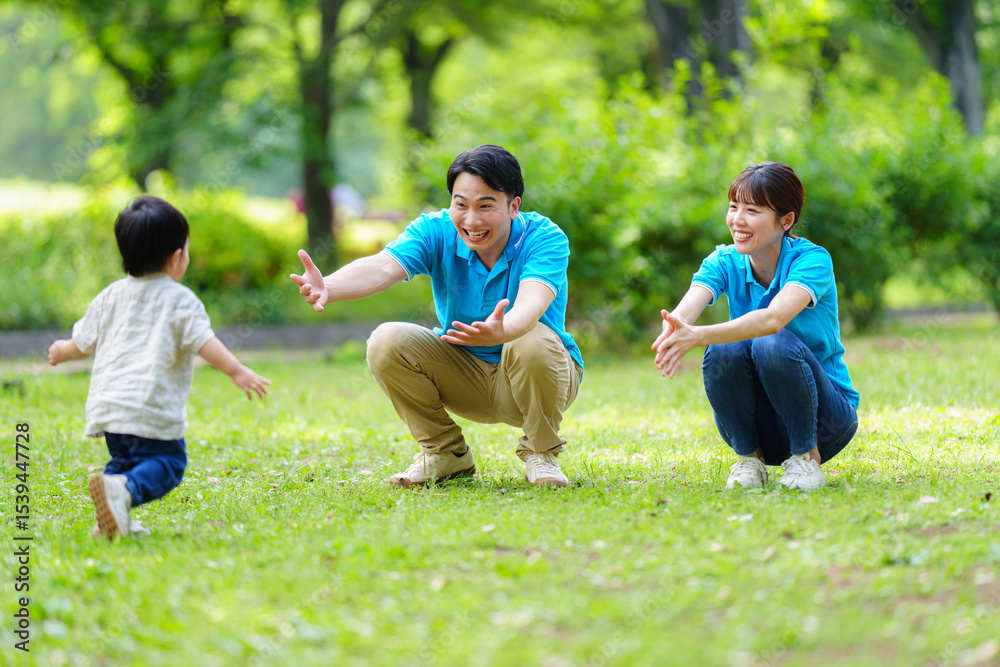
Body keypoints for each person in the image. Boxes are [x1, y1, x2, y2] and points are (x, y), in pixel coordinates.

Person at [291, 145, 583, 488]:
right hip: (465, 374)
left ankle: (541, 454)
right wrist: (329, 286)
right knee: (386, 340)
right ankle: (445, 453)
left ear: (513, 206)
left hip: (536, 377)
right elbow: (383, 266)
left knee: (530, 338)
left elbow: (533, 302)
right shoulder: (435, 230)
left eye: (485, 206)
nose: (471, 220)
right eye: (461, 204)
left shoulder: (544, 238)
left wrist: (505, 329)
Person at [48, 196, 271, 539]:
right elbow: (205, 342)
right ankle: (122, 493)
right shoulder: (180, 299)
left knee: (122, 464)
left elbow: (82, 342)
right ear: (176, 257)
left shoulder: (110, 296)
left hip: (110, 408)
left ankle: (113, 518)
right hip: (149, 408)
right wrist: (237, 371)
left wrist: (62, 351)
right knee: (169, 464)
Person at [651, 162, 859, 491]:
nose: (738, 219)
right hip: (763, 426)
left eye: (752, 210)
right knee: (723, 347)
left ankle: (806, 459)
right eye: (734, 207)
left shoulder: (812, 260)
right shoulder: (724, 261)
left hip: (827, 422)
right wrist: (675, 329)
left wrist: (698, 336)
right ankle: (749, 459)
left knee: (769, 341)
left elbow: (773, 319)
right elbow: (685, 312)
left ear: (785, 221)